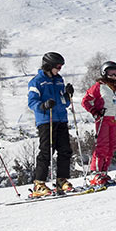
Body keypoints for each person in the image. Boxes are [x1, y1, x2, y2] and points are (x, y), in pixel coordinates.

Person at [27, 51, 75, 196]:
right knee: (47, 150)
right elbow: (32, 101)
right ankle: (39, 183)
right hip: (46, 120)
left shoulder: (59, 80)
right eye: (58, 67)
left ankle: (61, 180)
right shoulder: (36, 81)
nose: (59, 69)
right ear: (49, 65)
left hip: (60, 118)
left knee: (65, 149)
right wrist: (43, 105)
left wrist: (68, 95)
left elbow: (64, 102)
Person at [82, 61, 116, 186]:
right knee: (102, 146)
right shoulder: (99, 86)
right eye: (110, 73)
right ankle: (95, 172)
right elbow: (85, 101)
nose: (113, 76)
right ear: (104, 73)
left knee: (111, 147)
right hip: (103, 119)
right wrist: (95, 112)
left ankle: (104, 172)